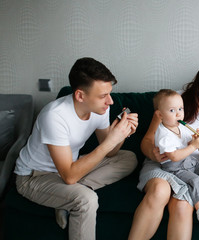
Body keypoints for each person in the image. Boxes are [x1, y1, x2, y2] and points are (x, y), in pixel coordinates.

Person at [14, 57, 138, 240]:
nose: (110, 101)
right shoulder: (54, 116)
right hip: (34, 177)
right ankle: (72, 197)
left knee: (128, 158)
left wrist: (121, 134)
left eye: (109, 93)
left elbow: (111, 152)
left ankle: (65, 200)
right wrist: (111, 141)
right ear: (80, 95)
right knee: (86, 199)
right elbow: (70, 176)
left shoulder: (99, 109)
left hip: (69, 168)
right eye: (103, 96)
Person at [128, 58, 199, 239]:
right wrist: (153, 154)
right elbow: (147, 140)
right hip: (163, 163)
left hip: (191, 166)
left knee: (184, 205)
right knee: (160, 190)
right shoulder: (173, 100)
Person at [153, 89, 199, 223]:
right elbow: (174, 156)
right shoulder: (163, 134)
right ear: (160, 115)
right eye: (172, 111)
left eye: (180, 109)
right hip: (175, 168)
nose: (178, 114)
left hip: (188, 162)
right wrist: (193, 146)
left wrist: (198, 139)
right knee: (196, 180)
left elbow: (188, 141)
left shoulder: (180, 126)